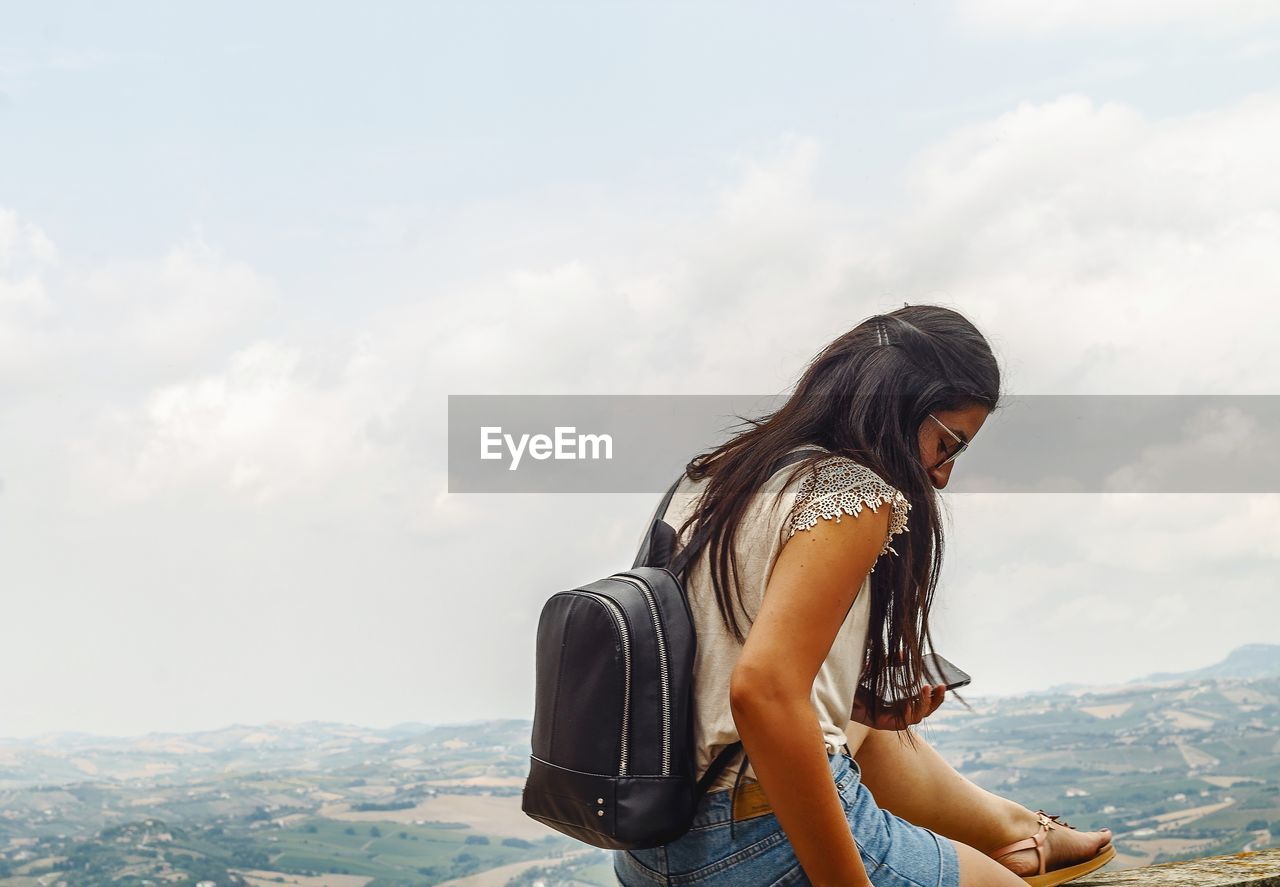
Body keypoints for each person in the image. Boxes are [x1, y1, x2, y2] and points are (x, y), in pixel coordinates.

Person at [612, 306, 1115, 887]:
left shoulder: (718, 474)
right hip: (755, 842)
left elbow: (713, 669)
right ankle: (1017, 837)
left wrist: (852, 705)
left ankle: (1017, 832)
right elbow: (762, 692)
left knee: (868, 735)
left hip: (651, 840)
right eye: (949, 444)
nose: (943, 474)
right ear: (899, 406)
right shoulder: (852, 492)